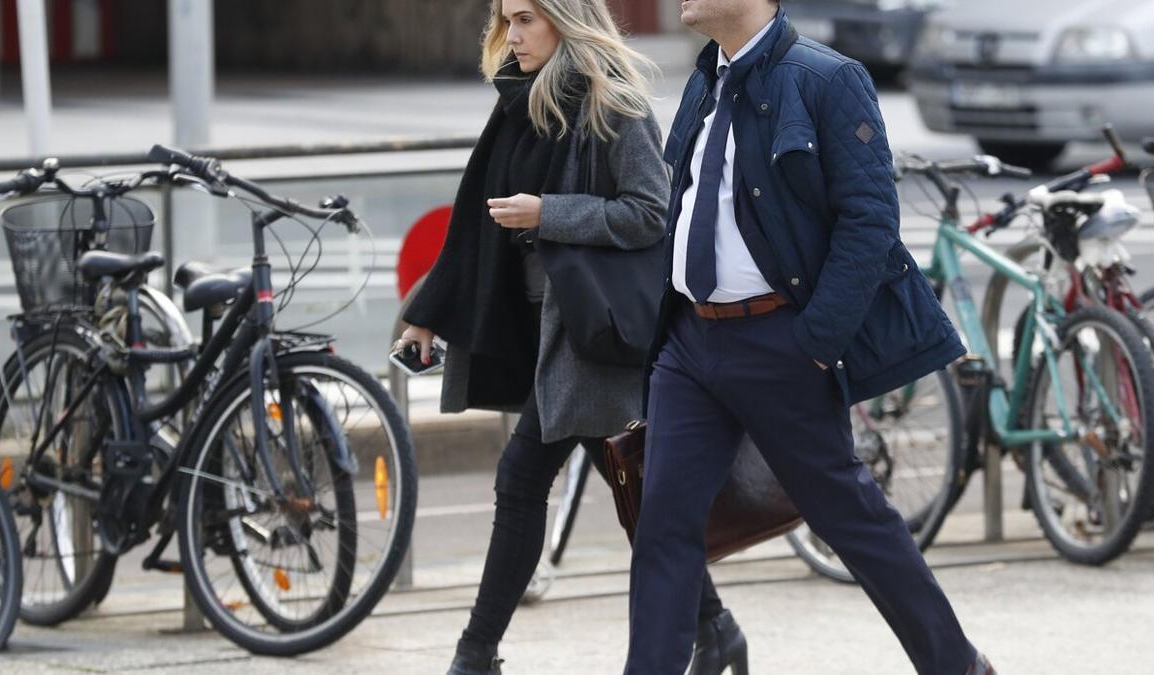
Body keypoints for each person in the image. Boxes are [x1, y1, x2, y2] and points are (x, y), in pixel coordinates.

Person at [624, 1, 997, 674]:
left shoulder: (827, 78)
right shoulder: (705, 79)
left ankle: (956, 665)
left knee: (848, 516)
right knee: (664, 529)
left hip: (780, 342)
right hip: (689, 345)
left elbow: (869, 219)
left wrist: (816, 340)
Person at [397, 1, 743, 673]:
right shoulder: (519, 101)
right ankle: (717, 626)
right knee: (632, 492)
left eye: (527, 19)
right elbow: (474, 216)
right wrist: (427, 309)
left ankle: (475, 655)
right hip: (548, 333)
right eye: (506, 20)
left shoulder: (608, 101)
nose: (513, 34)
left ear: (566, 19)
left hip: (593, 336)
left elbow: (651, 210)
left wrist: (548, 213)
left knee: (522, 479)